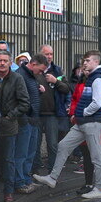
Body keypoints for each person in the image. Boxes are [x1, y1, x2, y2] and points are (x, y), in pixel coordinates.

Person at [33, 51, 101, 200]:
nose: (85, 63)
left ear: (95, 62)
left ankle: (99, 188)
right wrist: (79, 114)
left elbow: (98, 103)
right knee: (63, 145)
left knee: (96, 157)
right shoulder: (90, 78)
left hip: (92, 123)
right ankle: (52, 178)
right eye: (84, 60)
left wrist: (83, 113)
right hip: (82, 122)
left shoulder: (98, 79)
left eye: (87, 60)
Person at [0, 51, 29, 202]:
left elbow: (25, 102)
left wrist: (10, 116)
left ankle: (8, 192)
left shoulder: (17, 78)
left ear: (10, 63)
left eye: (5, 61)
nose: (2, 63)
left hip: (9, 126)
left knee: (8, 160)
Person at [15, 54, 47, 194]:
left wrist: (38, 92)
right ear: (33, 64)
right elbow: (18, 98)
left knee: (30, 153)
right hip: (25, 120)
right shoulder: (20, 75)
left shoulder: (31, 76)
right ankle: (20, 182)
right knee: (21, 153)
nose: (41, 73)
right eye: (40, 70)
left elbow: (29, 96)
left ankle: (26, 180)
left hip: (33, 119)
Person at [36, 44, 69, 174]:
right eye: (46, 54)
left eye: (51, 54)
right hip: (36, 113)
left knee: (52, 144)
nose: (49, 57)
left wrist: (56, 81)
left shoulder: (57, 71)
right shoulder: (35, 69)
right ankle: (35, 170)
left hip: (52, 113)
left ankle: (53, 171)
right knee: (35, 144)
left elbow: (66, 89)